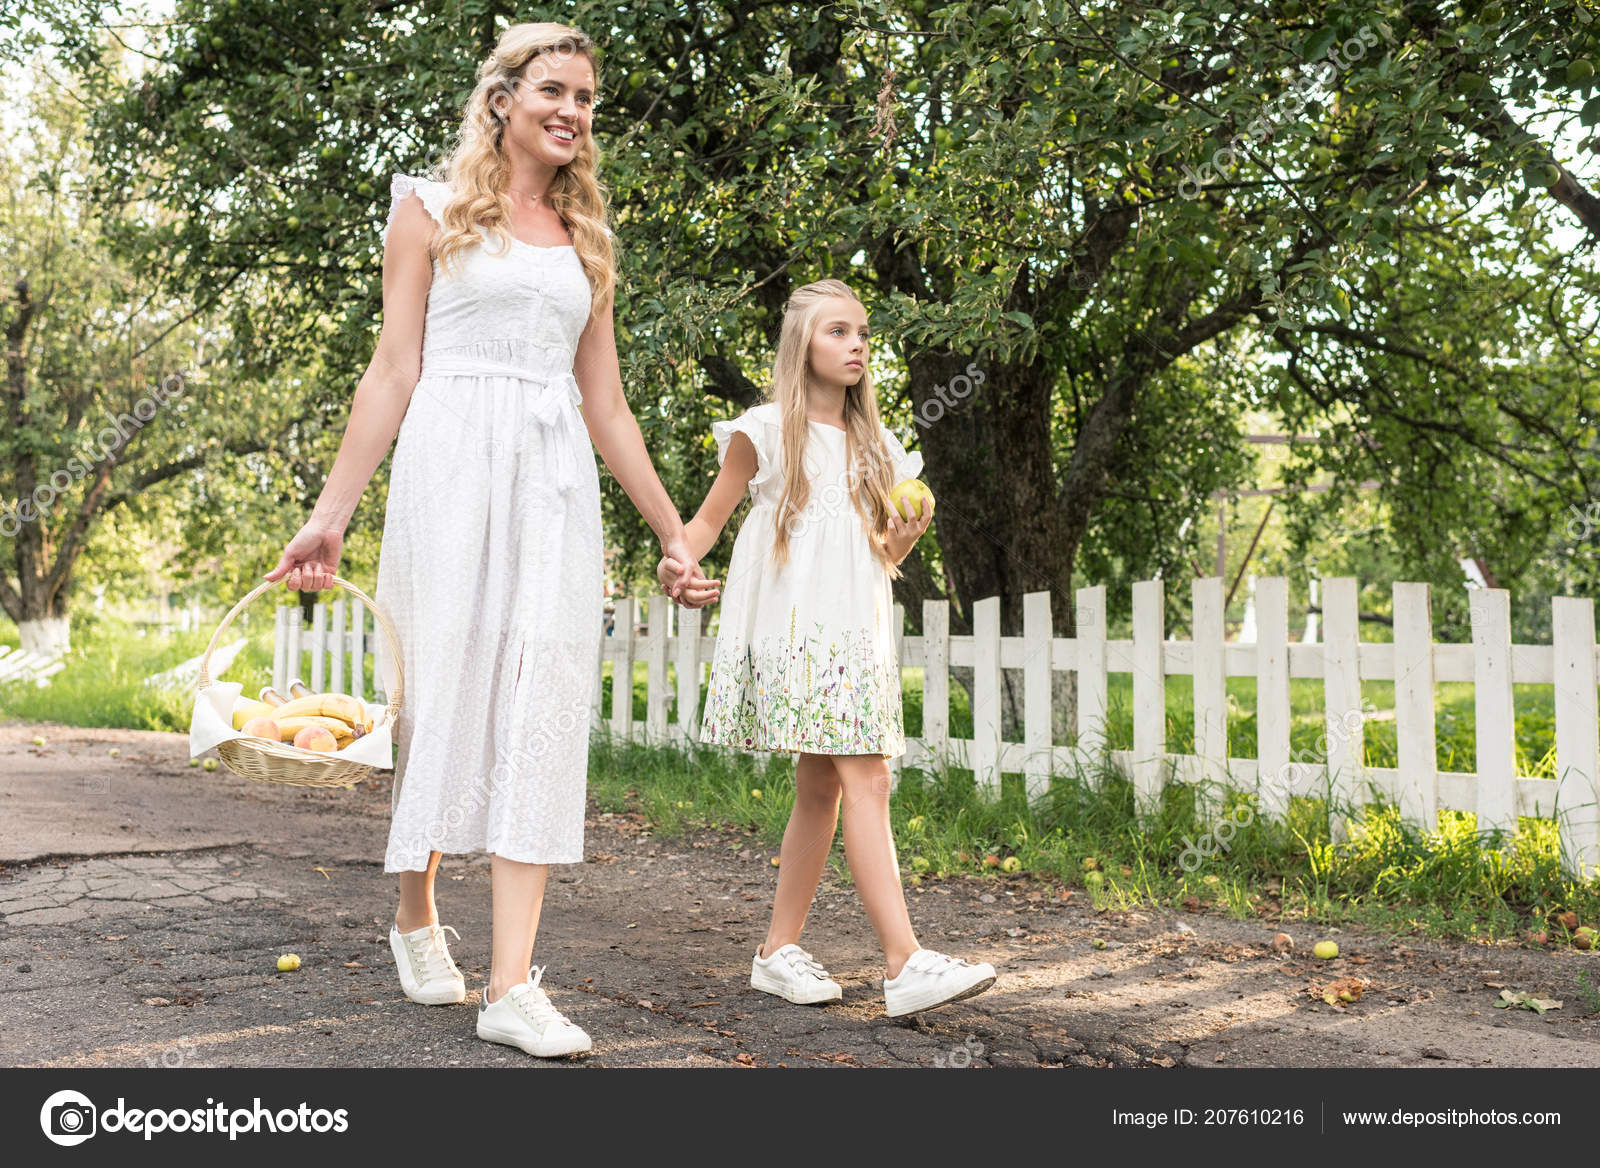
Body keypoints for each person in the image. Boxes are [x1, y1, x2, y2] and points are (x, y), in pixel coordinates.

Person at [264, 22, 705, 1059]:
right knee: (441, 687)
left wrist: (674, 532)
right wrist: (329, 514)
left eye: (587, 99)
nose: (573, 112)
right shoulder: (425, 210)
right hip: (449, 467)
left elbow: (608, 407)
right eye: (554, 89)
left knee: (541, 696)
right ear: (503, 99)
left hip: (552, 482)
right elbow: (390, 370)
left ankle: (513, 983)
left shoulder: (587, 240)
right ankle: (415, 908)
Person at [658, 278, 997, 1018]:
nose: (857, 347)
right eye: (838, 332)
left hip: (854, 628)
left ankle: (777, 951)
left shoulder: (879, 444)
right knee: (868, 779)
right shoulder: (765, 430)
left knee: (825, 788)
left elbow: (876, 546)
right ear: (802, 345)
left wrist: (899, 539)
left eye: (863, 335)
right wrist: (675, 560)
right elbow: (709, 521)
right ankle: (904, 963)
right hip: (797, 631)